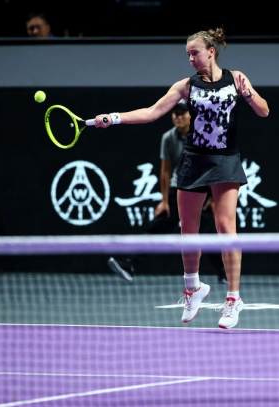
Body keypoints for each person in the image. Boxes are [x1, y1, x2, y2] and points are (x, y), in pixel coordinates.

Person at [94, 27, 269, 330]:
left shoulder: (236, 79)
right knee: (188, 229)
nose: (190, 58)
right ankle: (194, 289)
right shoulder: (186, 86)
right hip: (193, 160)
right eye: (187, 54)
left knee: (226, 227)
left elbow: (264, 112)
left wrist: (248, 93)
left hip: (226, 159)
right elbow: (151, 112)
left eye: (195, 52)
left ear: (211, 51)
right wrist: (114, 117)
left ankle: (233, 299)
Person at [107, 99, 227, 285]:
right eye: (175, 113)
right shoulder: (168, 138)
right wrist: (164, 200)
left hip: (201, 191)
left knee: (208, 231)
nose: (178, 117)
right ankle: (130, 263)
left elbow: (215, 166)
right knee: (157, 228)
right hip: (178, 191)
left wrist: (211, 196)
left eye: (182, 113)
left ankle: (224, 273)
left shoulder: (205, 136)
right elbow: (165, 170)